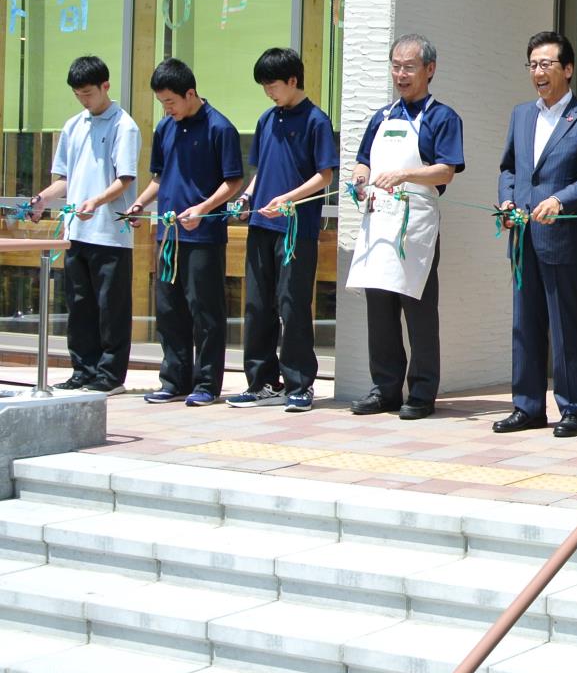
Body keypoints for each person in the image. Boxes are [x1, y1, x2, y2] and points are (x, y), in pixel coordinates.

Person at [494, 31, 577, 438]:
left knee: (566, 327)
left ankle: (574, 408)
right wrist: (506, 202)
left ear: (568, 69)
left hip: (563, 239)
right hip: (522, 238)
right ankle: (526, 407)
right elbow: (509, 168)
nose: (538, 72)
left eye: (546, 64)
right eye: (533, 65)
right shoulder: (521, 115)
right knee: (524, 325)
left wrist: (560, 200)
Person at [346, 34, 465, 421]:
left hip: (417, 227)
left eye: (409, 66)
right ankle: (384, 389)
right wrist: (360, 179)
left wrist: (404, 174)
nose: (401, 73)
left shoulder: (442, 117)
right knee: (379, 311)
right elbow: (362, 161)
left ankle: (422, 393)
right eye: (396, 65)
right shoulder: (382, 117)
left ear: (429, 70)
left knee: (418, 311)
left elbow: (445, 170)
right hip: (379, 220)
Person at [227, 48, 338, 412]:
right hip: (262, 224)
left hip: (296, 229)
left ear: (293, 81)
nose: (268, 93)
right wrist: (247, 197)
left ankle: (300, 384)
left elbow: (325, 175)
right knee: (257, 305)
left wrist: (287, 198)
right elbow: (260, 171)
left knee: (292, 305)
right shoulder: (266, 120)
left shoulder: (316, 121)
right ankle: (261, 382)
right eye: (264, 87)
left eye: (272, 85)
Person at [128, 58, 244, 407]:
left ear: (190, 93)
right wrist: (140, 204)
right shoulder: (165, 128)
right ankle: (173, 379)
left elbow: (234, 181)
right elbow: (160, 177)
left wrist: (203, 209)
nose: (167, 109)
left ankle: (207, 383)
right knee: (169, 309)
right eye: (162, 103)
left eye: (171, 102)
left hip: (203, 236)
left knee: (204, 311)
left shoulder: (219, 127)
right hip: (167, 235)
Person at [28, 56, 140, 395]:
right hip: (76, 232)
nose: (84, 99)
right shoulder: (73, 125)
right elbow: (65, 178)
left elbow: (125, 179)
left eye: (89, 93)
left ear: (106, 86)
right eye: (78, 94)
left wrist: (96, 202)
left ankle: (110, 376)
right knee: (79, 306)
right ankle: (82, 369)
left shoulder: (125, 126)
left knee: (111, 308)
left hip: (111, 233)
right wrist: (43, 199)